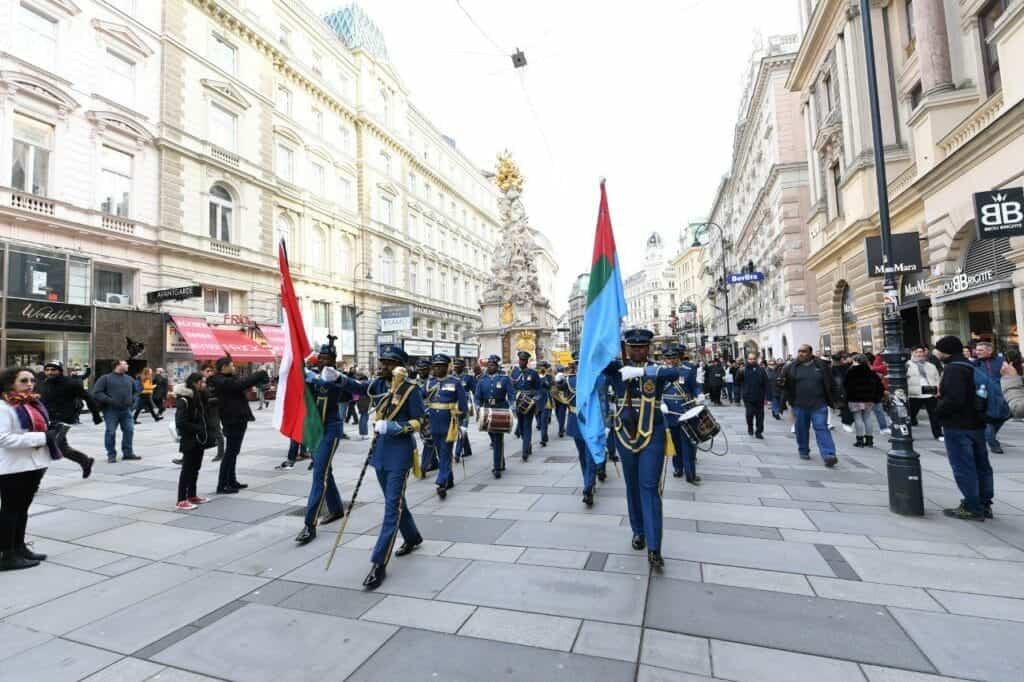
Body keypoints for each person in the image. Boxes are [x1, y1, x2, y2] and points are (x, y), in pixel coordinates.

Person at [604, 328, 690, 569]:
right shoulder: (617, 368)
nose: (639, 350)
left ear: (649, 348)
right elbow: (595, 362)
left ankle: (654, 546)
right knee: (632, 485)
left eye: (643, 347)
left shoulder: (656, 370)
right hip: (624, 434)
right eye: (634, 347)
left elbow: (676, 372)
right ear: (627, 348)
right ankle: (638, 530)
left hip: (652, 435)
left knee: (649, 487)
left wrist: (642, 371)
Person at [362, 344, 426, 590]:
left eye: (389, 362)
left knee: (391, 508)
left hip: (399, 453)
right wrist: (336, 377)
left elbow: (419, 421)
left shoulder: (412, 390)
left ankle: (379, 563)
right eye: (382, 361)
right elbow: (357, 388)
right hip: (380, 453)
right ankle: (412, 537)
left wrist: (397, 427)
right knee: (397, 501)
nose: (383, 366)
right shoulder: (378, 384)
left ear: (400, 365)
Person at [295, 344, 362, 545]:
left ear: (333, 359)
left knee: (319, 474)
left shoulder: (335, 377)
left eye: (326, 357)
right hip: (315, 429)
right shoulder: (315, 374)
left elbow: (326, 387)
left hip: (331, 429)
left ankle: (309, 523)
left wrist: (306, 373)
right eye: (320, 357)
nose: (322, 360)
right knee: (325, 472)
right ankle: (336, 508)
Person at [0, 367, 64, 571]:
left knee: (22, 510)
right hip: (13, 468)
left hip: (34, 464)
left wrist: (52, 430)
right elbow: (4, 438)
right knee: (11, 511)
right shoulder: (4, 407)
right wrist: (44, 437)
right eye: (24, 381)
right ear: (10, 383)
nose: (29, 384)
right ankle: (7, 554)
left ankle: (19, 548)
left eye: (32, 380)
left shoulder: (32, 403)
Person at [932, 336, 993, 521]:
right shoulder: (970, 365)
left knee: (963, 466)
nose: (936, 353)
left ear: (946, 351)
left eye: (938, 350)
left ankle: (972, 506)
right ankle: (984, 503)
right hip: (977, 424)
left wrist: (938, 411)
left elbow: (954, 399)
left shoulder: (953, 369)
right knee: (982, 465)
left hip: (958, 425)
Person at [208, 357, 269, 495]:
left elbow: (242, 383)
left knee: (234, 452)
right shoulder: (219, 380)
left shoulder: (229, 378)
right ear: (223, 367)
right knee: (230, 452)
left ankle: (231, 480)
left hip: (239, 419)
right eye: (231, 365)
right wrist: (259, 373)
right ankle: (222, 484)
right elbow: (241, 384)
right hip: (232, 420)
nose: (234, 367)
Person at [39, 361, 100, 479]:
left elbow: (88, 397)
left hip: (64, 420)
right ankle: (85, 461)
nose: (50, 372)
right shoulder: (42, 383)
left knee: (48, 446)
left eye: (53, 370)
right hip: (47, 419)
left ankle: (32, 483)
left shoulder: (71, 383)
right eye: (47, 370)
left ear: (60, 371)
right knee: (62, 447)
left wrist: (96, 415)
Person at [780, 345, 838, 467]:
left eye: (804, 352)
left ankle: (829, 455)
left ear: (811, 353)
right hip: (799, 404)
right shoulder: (791, 367)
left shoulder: (821, 366)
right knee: (801, 429)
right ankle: (803, 449)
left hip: (819, 404)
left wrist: (836, 399)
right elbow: (784, 384)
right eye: (799, 351)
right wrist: (781, 385)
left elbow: (831, 382)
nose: (801, 354)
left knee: (822, 428)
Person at [424, 354, 467, 500]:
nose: (437, 368)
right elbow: (423, 401)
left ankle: (441, 483)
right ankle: (450, 479)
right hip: (433, 423)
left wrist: (460, 421)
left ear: (447, 367)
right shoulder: (429, 383)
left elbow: (463, 405)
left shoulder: (455, 382)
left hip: (449, 423)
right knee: (440, 452)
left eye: (441, 366)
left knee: (445, 452)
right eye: (435, 366)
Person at [173, 373, 217, 510]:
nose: (204, 385)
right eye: (202, 382)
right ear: (195, 383)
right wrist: (198, 428)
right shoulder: (184, 400)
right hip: (189, 439)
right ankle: (181, 499)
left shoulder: (199, 397)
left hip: (199, 439)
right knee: (187, 469)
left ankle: (192, 495)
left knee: (195, 468)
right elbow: (180, 422)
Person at [563, 353, 596, 505]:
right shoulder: (569, 380)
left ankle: (588, 486)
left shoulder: (595, 378)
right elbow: (557, 393)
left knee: (590, 455)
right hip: (576, 420)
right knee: (582, 455)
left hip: (592, 421)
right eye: (577, 364)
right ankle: (588, 481)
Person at [662, 345, 699, 483]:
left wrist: (699, 395)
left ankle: (691, 473)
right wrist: (661, 403)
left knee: (688, 444)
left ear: (679, 358)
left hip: (686, 411)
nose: (671, 361)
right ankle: (678, 468)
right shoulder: (660, 372)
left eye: (674, 358)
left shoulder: (688, 370)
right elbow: (655, 391)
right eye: (668, 358)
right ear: (664, 359)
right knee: (675, 443)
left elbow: (694, 387)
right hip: (669, 413)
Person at [91, 360, 141, 463]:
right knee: (111, 432)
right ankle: (111, 454)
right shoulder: (105, 378)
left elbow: (136, 391)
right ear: (118, 365)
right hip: (111, 410)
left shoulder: (129, 378)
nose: (128, 365)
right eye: (125, 364)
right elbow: (97, 392)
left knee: (129, 430)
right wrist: (110, 400)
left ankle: (128, 453)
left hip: (126, 410)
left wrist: (133, 400)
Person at [475, 355, 511, 478]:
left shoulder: (504, 379)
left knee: (498, 438)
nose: (490, 367)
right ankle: (501, 460)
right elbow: (477, 397)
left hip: (500, 409)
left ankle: (497, 467)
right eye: (489, 365)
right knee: (493, 438)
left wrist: (512, 407)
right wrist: (477, 407)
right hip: (487, 411)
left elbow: (511, 395)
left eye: (493, 365)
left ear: (497, 366)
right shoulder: (482, 380)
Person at [973, 342, 1010, 453]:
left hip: (1001, 394)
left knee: (1004, 415)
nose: (977, 352)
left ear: (989, 351)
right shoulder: (974, 364)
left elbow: (1009, 374)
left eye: (981, 350)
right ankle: (994, 444)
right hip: (983, 396)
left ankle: (989, 436)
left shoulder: (1001, 361)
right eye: (977, 350)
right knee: (987, 420)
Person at [843, 354, 884, 448]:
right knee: (867, 417)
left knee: (858, 418)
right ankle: (869, 440)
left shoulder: (851, 371)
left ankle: (859, 440)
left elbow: (845, 384)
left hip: (855, 398)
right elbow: (879, 386)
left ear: (856, 361)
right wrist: (876, 397)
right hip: (869, 398)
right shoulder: (871, 372)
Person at [907, 346, 943, 441]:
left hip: (930, 392)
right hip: (915, 393)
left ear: (924, 353)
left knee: (934, 415)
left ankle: (938, 434)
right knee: (910, 415)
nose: (919, 354)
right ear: (912, 353)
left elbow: (937, 378)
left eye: (921, 352)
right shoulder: (907, 365)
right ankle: (906, 434)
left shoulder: (930, 365)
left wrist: (938, 389)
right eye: (917, 352)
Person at [511, 351, 542, 460]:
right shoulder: (514, 373)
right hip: (518, 402)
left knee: (527, 425)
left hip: (529, 403)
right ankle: (527, 443)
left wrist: (535, 400)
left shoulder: (533, 373)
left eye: (523, 360)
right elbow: (512, 388)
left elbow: (539, 389)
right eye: (520, 360)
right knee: (521, 426)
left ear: (527, 361)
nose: (521, 362)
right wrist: (512, 401)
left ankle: (525, 451)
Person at [737, 353, 768, 439]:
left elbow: (766, 383)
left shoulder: (761, 370)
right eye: (750, 359)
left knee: (760, 416)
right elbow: (737, 381)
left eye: (753, 359)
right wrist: (739, 372)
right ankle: (750, 427)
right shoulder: (743, 370)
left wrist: (766, 397)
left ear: (756, 359)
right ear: (747, 360)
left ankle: (759, 432)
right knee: (749, 414)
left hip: (759, 397)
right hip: (748, 397)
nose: (752, 360)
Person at [452, 359, 476, 459]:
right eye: (455, 365)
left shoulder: (468, 378)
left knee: (462, 428)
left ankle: (457, 453)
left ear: (463, 367)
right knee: (459, 428)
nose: (455, 367)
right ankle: (467, 449)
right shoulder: (451, 378)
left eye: (458, 366)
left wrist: (478, 406)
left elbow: (475, 391)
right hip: (453, 406)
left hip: (465, 405)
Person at [536, 360, 554, 447]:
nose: (541, 368)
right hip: (536, 401)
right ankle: (544, 436)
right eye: (539, 367)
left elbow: (549, 386)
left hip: (546, 401)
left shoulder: (549, 377)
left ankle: (543, 438)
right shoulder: (534, 376)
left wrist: (543, 377)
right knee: (539, 422)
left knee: (544, 421)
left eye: (543, 367)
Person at [552, 364, 569, 438]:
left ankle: (561, 429)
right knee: (561, 414)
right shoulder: (565, 376)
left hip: (558, 397)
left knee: (559, 413)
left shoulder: (559, 375)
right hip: (563, 397)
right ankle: (561, 428)